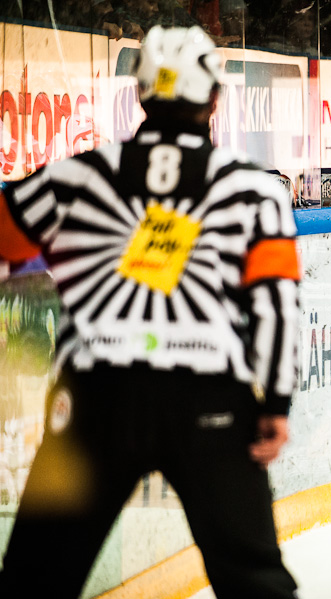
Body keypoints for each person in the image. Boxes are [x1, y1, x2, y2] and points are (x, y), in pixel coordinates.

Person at [0, 26, 301, 597]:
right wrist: (277, 402)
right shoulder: (252, 191)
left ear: (139, 95)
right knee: (255, 581)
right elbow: (276, 304)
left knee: (33, 584)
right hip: (210, 399)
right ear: (215, 98)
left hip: (93, 402)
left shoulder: (76, 175)